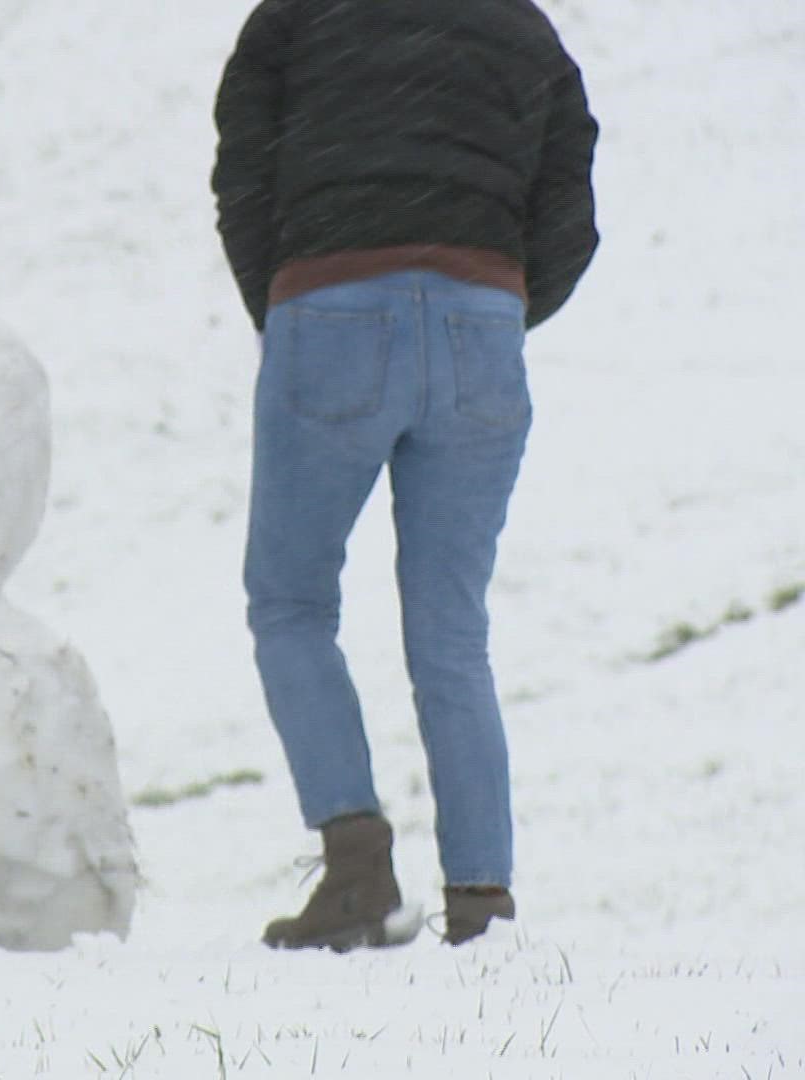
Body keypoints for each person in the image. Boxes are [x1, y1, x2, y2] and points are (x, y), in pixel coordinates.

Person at [211, 0, 598, 950]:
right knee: (452, 627)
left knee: (292, 605)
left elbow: (242, 173)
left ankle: (356, 872)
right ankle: (481, 902)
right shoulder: (525, 29)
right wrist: (495, 305)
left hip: (330, 305)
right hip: (481, 318)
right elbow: (570, 213)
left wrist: (293, 299)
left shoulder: (295, 17)